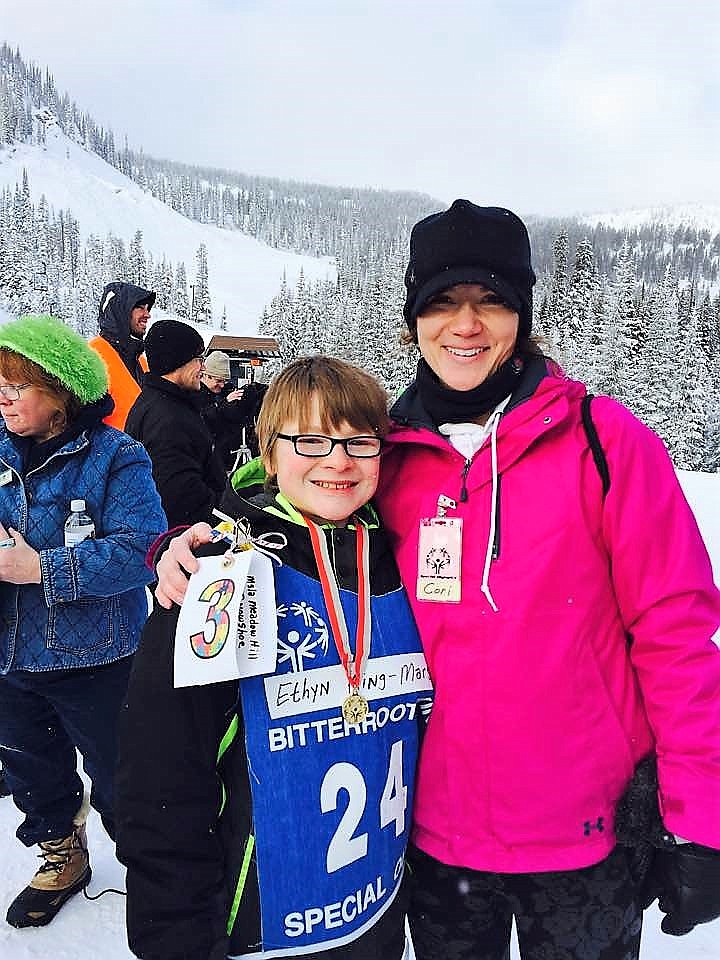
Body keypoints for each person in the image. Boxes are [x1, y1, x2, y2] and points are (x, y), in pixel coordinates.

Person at [155, 200, 720, 960]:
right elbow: (295, 515)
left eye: (491, 300)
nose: (466, 324)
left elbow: (677, 633)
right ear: (414, 318)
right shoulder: (389, 453)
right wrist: (184, 543)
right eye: (443, 302)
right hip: (434, 836)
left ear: (521, 312)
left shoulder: (603, 438)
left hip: (585, 832)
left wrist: (702, 818)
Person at [115, 356, 432, 960]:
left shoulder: (401, 557)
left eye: (358, 442)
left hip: (378, 905)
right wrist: (172, 929)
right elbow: (161, 774)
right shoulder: (222, 570)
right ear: (267, 446)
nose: (337, 462)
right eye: (309, 440)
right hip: (259, 924)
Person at [0, 314, 166, 929]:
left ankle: (154, 867)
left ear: (61, 391)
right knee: (33, 770)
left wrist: (40, 568)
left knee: (126, 776)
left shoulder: (117, 456)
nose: (3, 395)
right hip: (8, 655)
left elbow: (140, 550)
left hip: (94, 660)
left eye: (17, 384)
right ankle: (61, 854)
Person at [125, 319, 226, 528]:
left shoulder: (162, 403)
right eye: (198, 358)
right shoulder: (167, 419)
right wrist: (226, 516)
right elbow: (182, 501)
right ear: (177, 361)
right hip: (189, 542)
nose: (203, 367)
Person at [89, 281, 155, 429]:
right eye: (139, 307)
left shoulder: (140, 360)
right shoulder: (93, 357)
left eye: (147, 308)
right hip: (110, 451)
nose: (147, 314)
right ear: (120, 310)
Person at [199, 350, 259, 470]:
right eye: (219, 380)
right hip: (204, 460)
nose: (222, 385)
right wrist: (224, 403)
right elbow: (203, 419)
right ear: (206, 375)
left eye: (225, 381)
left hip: (223, 458)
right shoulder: (195, 395)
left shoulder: (223, 392)